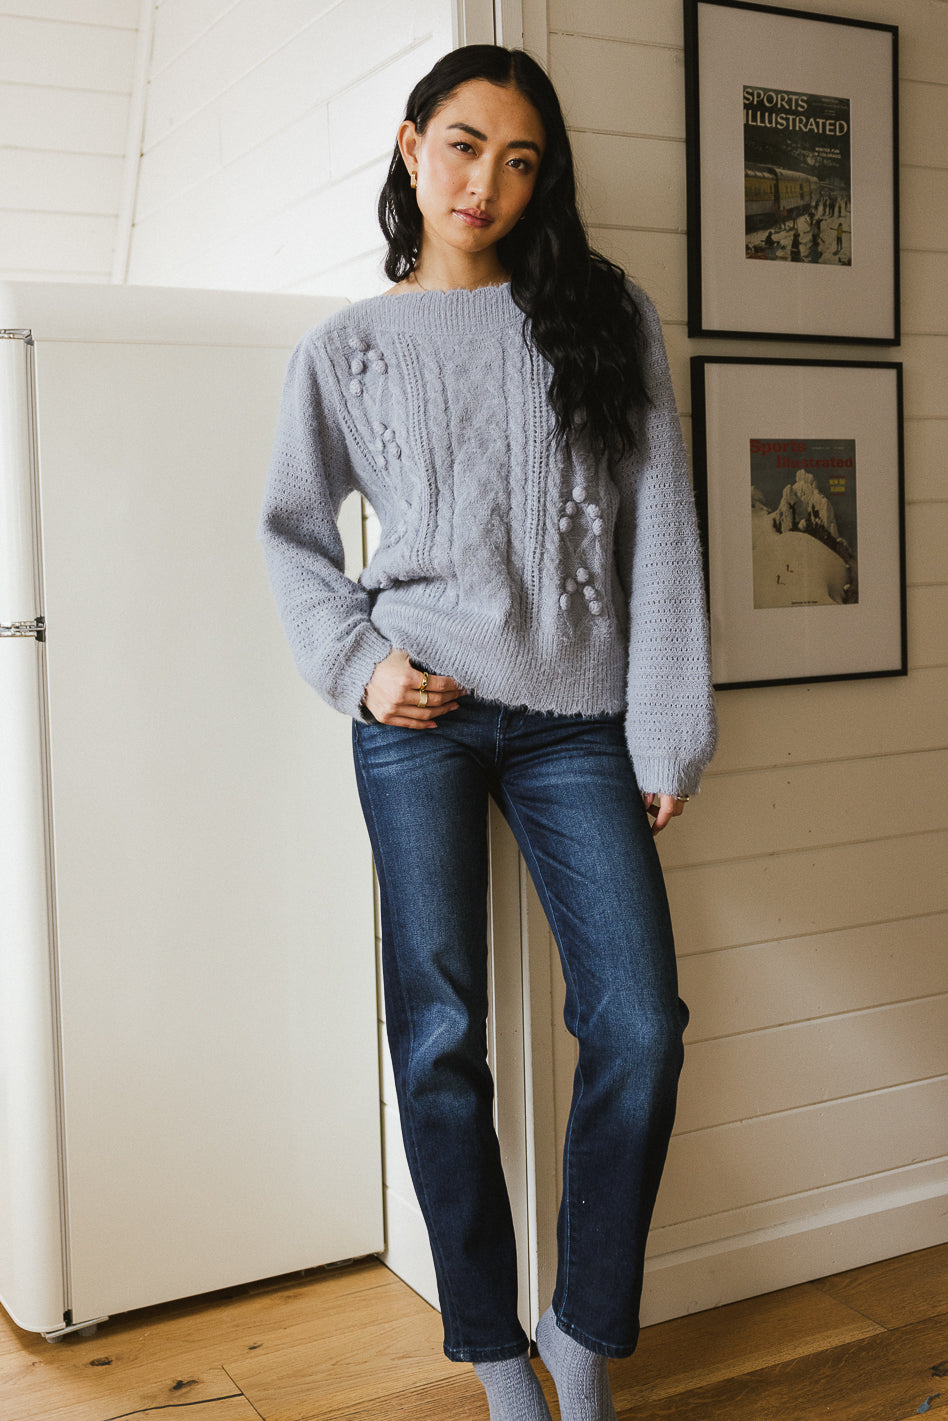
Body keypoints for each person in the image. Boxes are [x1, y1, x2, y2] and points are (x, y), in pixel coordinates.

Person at [259, 43, 716, 1421]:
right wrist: (360, 669)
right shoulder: (347, 350)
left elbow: (661, 526)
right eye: (464, 147)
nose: (486, 184)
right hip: (424, 716)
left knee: (639, 1024)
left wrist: (666, 726)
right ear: (412, 146)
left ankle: (582, 1329)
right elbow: (292, 536)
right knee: (440, 1034)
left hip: (579, 725)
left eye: (521, 161)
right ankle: (495, 1351)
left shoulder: (602, 314)